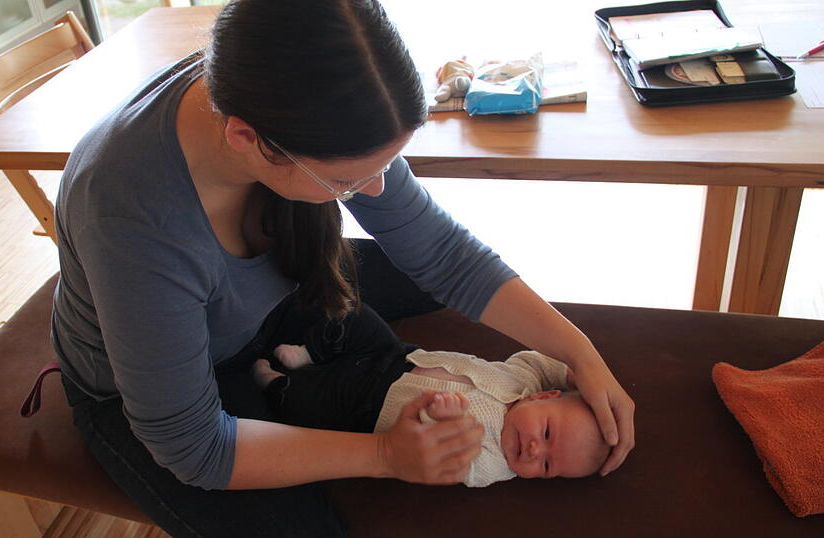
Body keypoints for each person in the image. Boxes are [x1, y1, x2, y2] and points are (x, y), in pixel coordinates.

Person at [50, 0, 634, 536]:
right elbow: (194, 446)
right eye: (347, 181)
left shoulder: (277, 89)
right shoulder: (134, 217)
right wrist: (385, 458)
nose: (374, 190)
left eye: (384, 165)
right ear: (247, 139)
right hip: (154, 383)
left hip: (266, 302)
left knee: (422, 270)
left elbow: (442, 251)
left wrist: (579, 355)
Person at [251, 303, 611, 486]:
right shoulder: (526, 380)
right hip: (397, 356)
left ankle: (275, 383)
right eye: (547, 434)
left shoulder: (496, 465)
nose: (535, 451)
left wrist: (448, 422)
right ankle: (309, 353)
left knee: (306, 404)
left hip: (366, 407)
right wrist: (582, 375)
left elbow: (455, 464)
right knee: (355, 316)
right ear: (544, 398)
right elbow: (547, 361)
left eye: (547, 466)